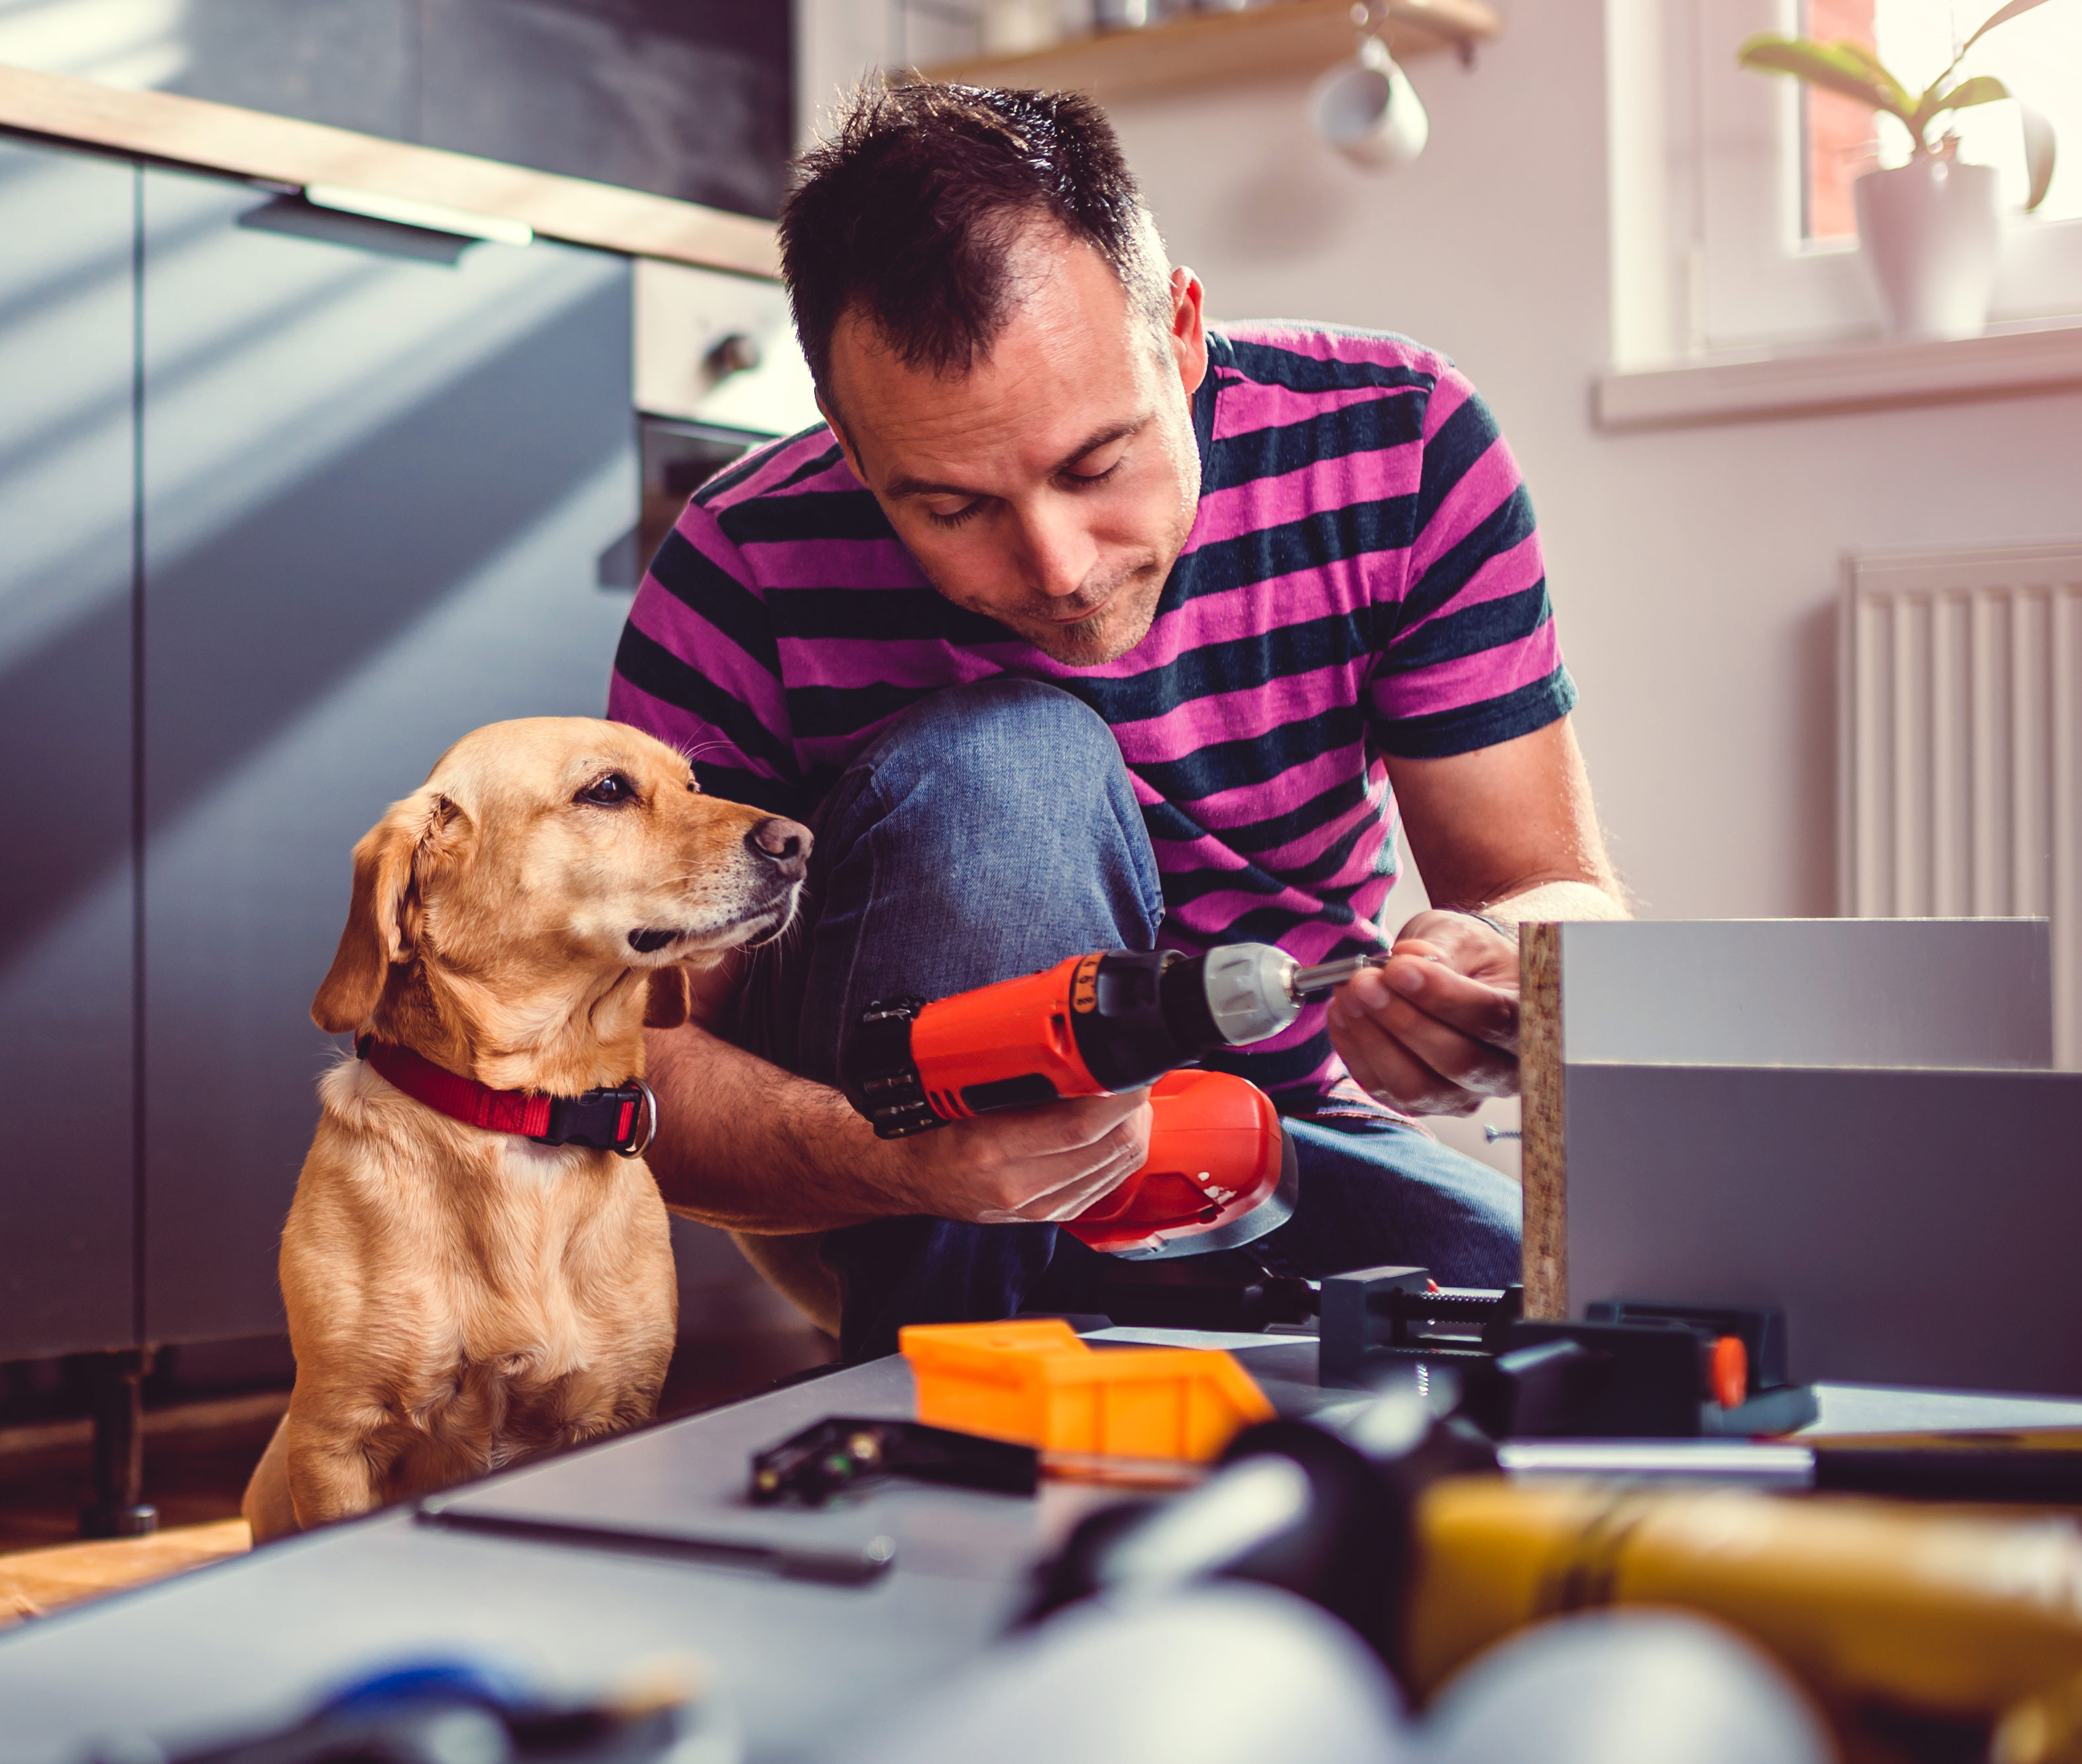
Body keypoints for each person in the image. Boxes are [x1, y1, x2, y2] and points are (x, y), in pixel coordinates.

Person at [609, 84, 1626, 1359]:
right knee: (1010, 765)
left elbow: (1549, 887)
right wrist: (905, 1164)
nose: (1056, 565)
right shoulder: (740, 567)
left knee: (1573, 1338)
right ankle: (943, 1389)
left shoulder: (1398, 446)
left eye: (1098, 466)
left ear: (1184, 334)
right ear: (852, 449)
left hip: (1272, 1130)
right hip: (889, 1166)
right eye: (949, 506)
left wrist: (1502, 974)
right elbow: (630, 1061)